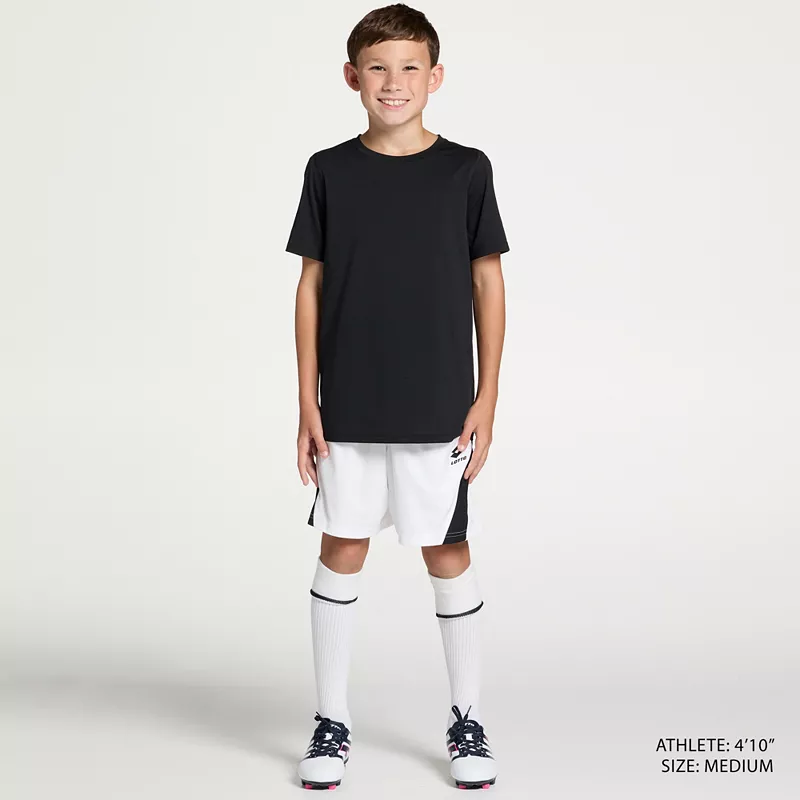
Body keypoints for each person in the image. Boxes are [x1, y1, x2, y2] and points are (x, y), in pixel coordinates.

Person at [285, 3, 509, 791]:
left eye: (410, 67)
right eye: (378, 68)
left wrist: (486, 397)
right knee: (341, 547)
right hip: (347, 405)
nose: (394, 82)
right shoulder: (328, 170)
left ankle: (467, 718)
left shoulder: (466, 170)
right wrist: (307, 400)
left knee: (447, 552)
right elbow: (310, 285)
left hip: (438, 404)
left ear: (435, 77)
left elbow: (489, 282)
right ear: (352, 77)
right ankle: (331, 718)